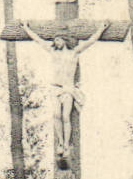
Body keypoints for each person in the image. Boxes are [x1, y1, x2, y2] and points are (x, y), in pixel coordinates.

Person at [21, 21, 107, 169]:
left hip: (67, 89)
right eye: (55, 41)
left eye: (59, 40)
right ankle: (60, 142)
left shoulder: (74, 53)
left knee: (66, 116)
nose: (56, 42)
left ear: (64, 40)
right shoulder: (53, 52)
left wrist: (101, 28)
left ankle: (66, 144)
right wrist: (26, 28)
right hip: (55, 88)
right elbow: (38, 40)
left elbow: (91, 41)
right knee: (56, 115)